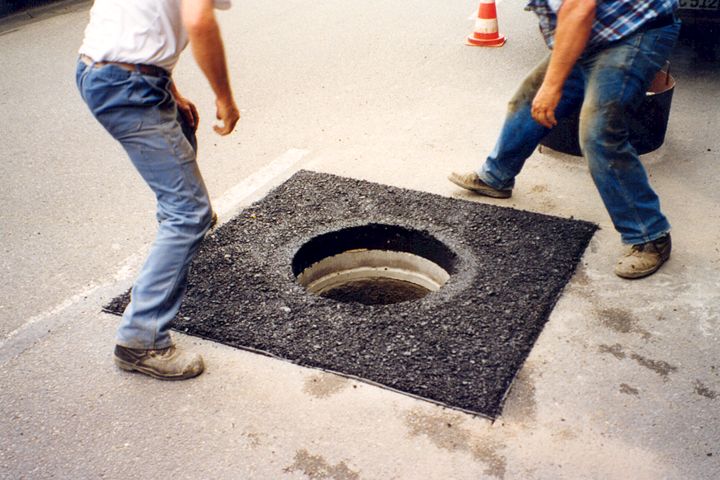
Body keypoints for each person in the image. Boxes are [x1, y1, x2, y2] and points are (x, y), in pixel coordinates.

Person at [449, 0, 680, 279]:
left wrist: (552, 86)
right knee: (530, 98)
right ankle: (496, 176)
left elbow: (579, 9)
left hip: (636, 30)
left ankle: (650, 236)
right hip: (596, 29)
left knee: (599, 133)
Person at [76, 0, 240, 380]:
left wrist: (169, 89)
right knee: (189, 213)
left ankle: (180, 232)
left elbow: (140, 25)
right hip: (126, 85)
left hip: (104, 70)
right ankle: (141, 340)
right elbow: (199, 21)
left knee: (182, 127)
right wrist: (225, 99)